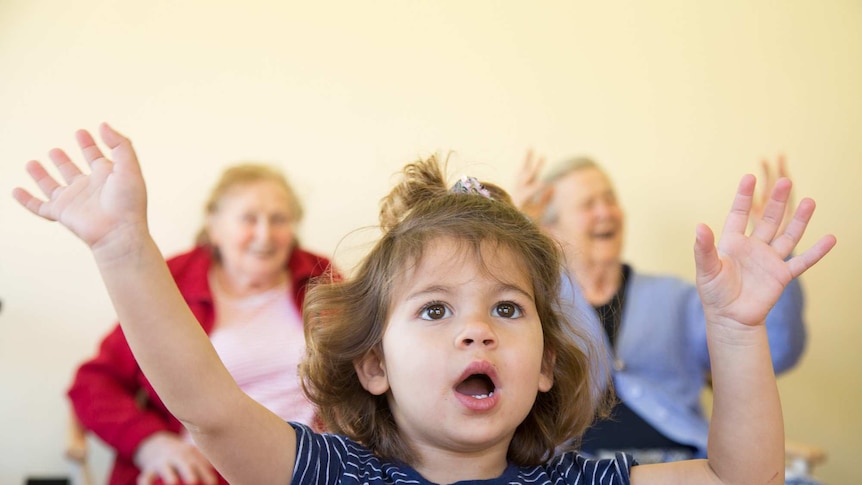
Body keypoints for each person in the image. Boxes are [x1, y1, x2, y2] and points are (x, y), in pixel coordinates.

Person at [14, 123, 835, 484]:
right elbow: (210, 408)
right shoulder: (335, 472)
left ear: (547, 366)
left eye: (508, 310)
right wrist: (124, 248)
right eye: (435, 310)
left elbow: (742, 476)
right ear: (372, 364)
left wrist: (734, 328)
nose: (476, 324)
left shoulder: (575, 479)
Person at [513, 152, 806, 464]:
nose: (605, 212)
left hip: (683, 467)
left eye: (610, 199)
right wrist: (519, 230)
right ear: (549, 227)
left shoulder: (677, 297)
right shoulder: (540, 306)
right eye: (588, 205)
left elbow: (774, 353)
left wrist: (775, 257)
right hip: (579, 471)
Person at [64, 161, 338, 484]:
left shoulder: (319, 276)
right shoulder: (172, 279)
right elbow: (94, 382)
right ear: (214, 226)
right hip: (203, 471)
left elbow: (362, 366)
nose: (265, 234)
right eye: (249, 219)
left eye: (278, 219)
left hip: (307, 466)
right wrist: (150, 443)